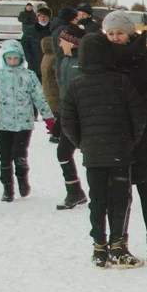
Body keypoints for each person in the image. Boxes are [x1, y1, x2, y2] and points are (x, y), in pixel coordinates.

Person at [60, 34, 147, 267]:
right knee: (120, 199)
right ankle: (118, 245)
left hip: (93, 154)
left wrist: (82, 143)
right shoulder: (121, 81)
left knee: (97, 200)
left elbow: (67, 121)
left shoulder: (76, 84)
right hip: (120, 152)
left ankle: (99, 247)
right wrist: (130, 141)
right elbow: (138, 116)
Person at [104, 10, 147, 262]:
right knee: (118, 190)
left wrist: (138, 106)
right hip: (116, 130)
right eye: (110, 33)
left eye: (119, 32)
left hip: (145, 129)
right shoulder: (103, 55)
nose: (115, 37)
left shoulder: (145, 54)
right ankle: (118, 241)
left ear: (129, 33)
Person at [0, 40, 53, 202]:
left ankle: (22, 179)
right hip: (3, 122)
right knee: (4, 155)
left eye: (15, 58)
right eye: (9, 58)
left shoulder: (29, 75)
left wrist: (48, 117)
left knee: (19, 153)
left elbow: (39, 97)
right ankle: (7, 188)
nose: (12, 62)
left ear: (21, 58)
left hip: (24, 122)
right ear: (4, 58)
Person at [53, 24, 89, 210]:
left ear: (71, 42)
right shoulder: (65, 60)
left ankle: (106, 192)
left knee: (90, 155)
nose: (59, 43)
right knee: (63, 153)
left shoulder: (84, 61)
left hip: (84, 118)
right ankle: (74, 191)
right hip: (68, 116)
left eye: (62, 39)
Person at [39, 36, 61, 142]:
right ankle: (55, 133)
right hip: (55, 91)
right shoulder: (54, 58)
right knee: (57, 113)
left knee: (53, 113)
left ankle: (54, 132)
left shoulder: (45, 57)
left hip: (48, 90)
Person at [21, 5, 54, 72]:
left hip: (51, 64)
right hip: (34, 64)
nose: (42, 18)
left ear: (49, 17)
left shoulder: (53, 29)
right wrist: (29, 58)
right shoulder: (30, 30)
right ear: (37, 17)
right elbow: (24, 44)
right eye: (40, 16)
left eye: (44, 16)